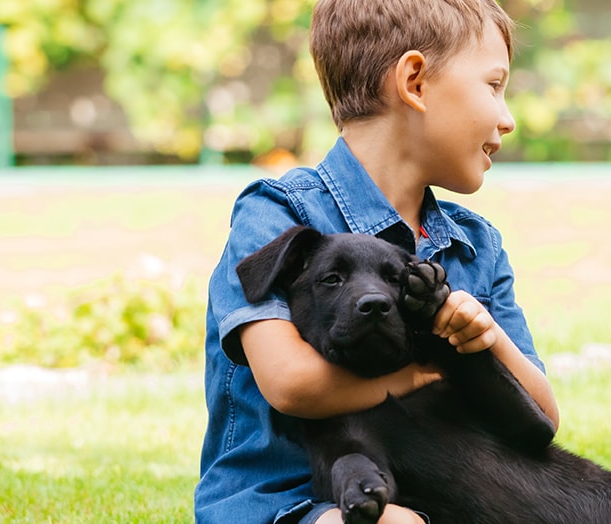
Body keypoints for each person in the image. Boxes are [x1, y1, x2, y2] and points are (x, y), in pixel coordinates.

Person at [193, 1, 558, 523]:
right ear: (414, 81)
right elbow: (292, 383)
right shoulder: (279, 214)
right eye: (494, 86)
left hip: (440, 493)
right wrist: (430, 368)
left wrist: (483, 336)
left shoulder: (473, 244)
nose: (508, 118)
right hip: (285, 503)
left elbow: (541, 415)